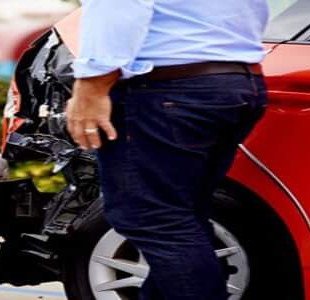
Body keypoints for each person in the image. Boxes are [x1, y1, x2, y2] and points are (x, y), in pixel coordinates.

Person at [65, 0, 268, 299]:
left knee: (151, 218)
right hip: (235, 82)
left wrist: (91, 85)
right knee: (181, 217)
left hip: (169, 88)